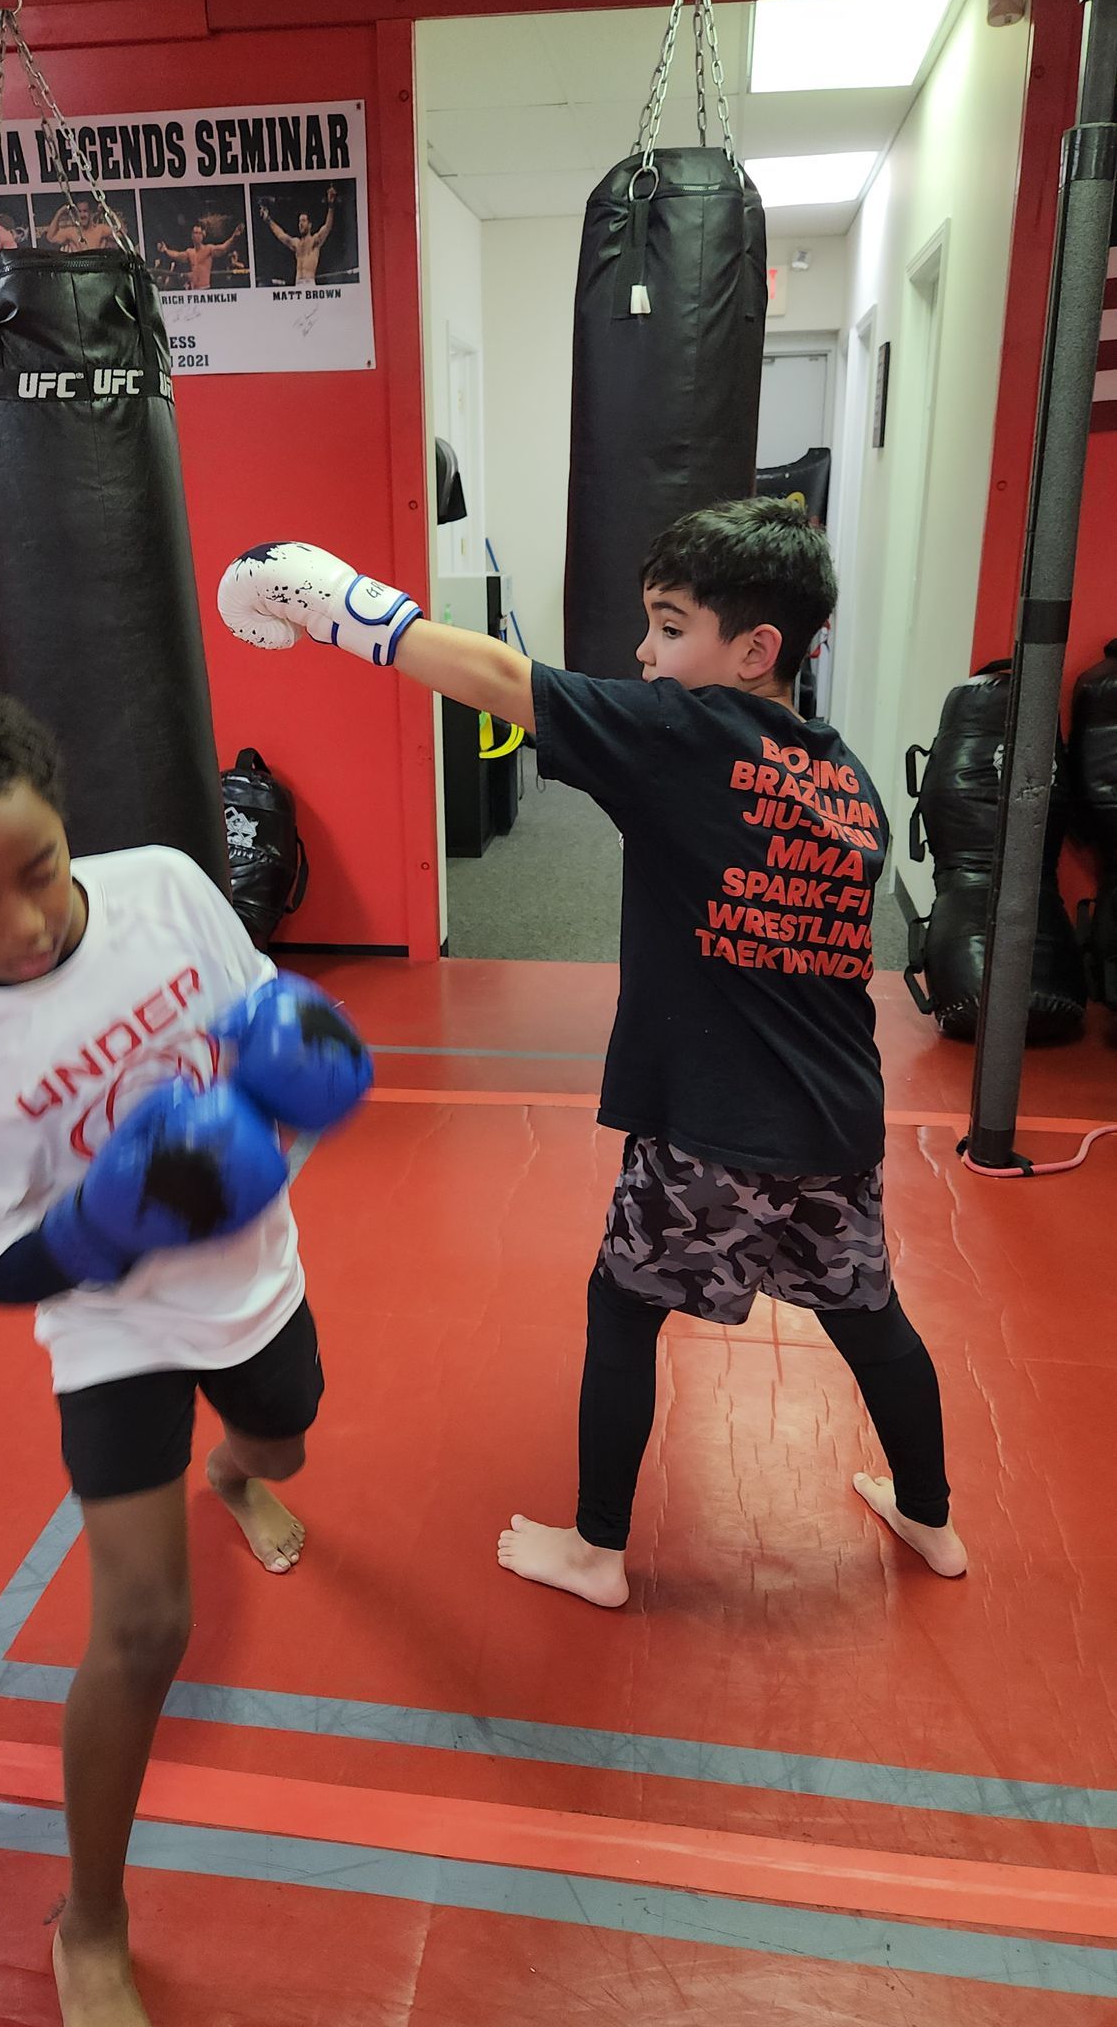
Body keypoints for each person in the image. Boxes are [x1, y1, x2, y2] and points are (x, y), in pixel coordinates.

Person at [218, 507, 968, 1612]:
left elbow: (496, 676)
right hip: (835, 1126)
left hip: (710, 1129)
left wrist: (332, 601)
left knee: (622, 1306)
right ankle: (931, 1515)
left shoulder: (684, 736)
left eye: (667, 628)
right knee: (867, 1315)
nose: (643, 654)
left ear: (754, 650)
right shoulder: (842, 776)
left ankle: (597, 1549)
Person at [0, 683, 371, 2027]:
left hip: (256, 1279)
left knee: (284, 1436)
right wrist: (118, 1215)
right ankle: (90, 1921)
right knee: (142, 1627)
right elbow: (1, 1268)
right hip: (115, 1332)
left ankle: (239, 1469)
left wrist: (296, 1052)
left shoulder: (161, 889)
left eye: (37, 870)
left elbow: (261, 996)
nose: (19, 921)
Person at [258, 185, 336, 288]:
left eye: (303, 221)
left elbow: (328, 227)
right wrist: (268, 220)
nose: (300, 224)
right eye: (299, 221)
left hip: (309, 284)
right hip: (297, 284)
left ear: (309, 225)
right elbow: (281, 235)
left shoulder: (315, 241)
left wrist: (331, 205)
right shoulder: (297, 243)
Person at [156, 219, 244, 291]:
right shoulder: (189, 252)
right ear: (192, 236)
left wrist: (234, 236)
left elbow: (223, 248)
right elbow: (177, 255)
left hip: (205, 288)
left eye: (199, 233)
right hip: (193, 290)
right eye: (195, 233)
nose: (197, 235)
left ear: (203, 235)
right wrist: (166, 250)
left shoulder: (208, 249)